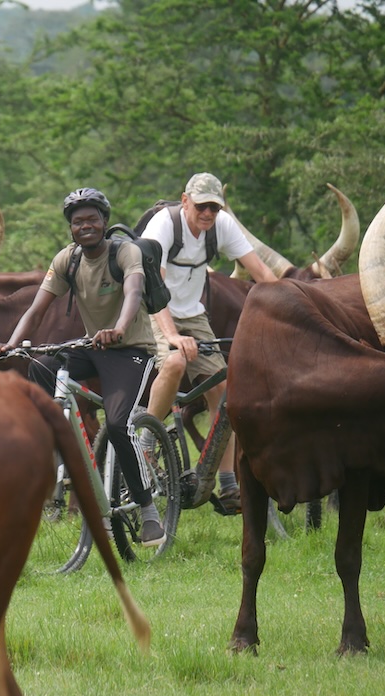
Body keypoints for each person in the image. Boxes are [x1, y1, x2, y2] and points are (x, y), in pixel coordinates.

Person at [0, 187, 166, 546]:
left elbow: (133, 293)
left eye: (92, 219)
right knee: (38, 365)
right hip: (93, 346)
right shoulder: (67, 260)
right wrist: (10, 343)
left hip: (131, 349)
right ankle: (60, 433)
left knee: (117, 425)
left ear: (104, 221)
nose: (85, 226)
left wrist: (118, 328)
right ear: (70, 228)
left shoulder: (125, 252)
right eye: (77, 222)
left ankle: (148, 509)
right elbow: (36, 310)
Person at [139, 172, 278, 514]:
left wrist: (292, 312)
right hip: (156, 310)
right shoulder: (163, 226)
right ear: (185, 200)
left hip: (194, 316)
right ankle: (144, 446)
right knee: (174, 362)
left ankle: (228, 482)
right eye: (201, 206)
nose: (208, 214)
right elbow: (153, 288)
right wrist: (172, 336)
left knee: (225, 388)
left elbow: (262, 273)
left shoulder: (222, 227)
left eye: (214, 208)